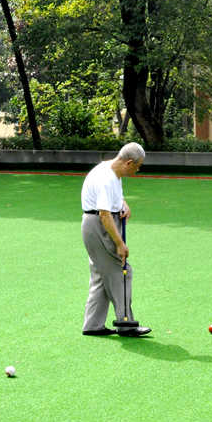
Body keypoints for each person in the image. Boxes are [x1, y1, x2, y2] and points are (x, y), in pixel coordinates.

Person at [80, 142, 151, 337]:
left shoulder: (110, 170)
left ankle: (93, 325)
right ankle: (126, 324)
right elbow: (104, 214)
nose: (138, 170)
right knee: (122, 273)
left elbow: (112, 199)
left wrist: (122, 203)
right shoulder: (106, 179)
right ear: (129, 163)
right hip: (100, 225)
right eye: (138, 166)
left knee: (101, 275)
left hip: (94, 223)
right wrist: (120, 244)